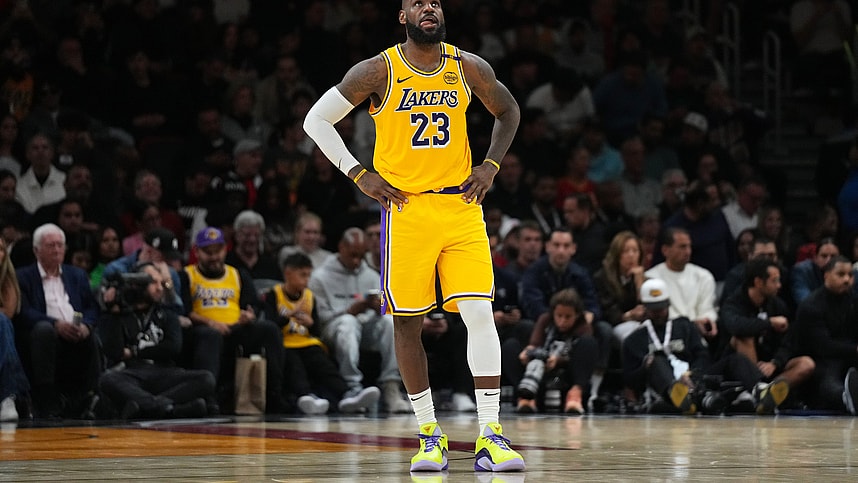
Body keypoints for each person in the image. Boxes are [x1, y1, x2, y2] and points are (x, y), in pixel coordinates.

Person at [302, 0, 525, 472]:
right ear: (401, 15)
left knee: (479, 314)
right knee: (407, 323)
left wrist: (490, 165)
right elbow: (315, 120)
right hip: (405, 210)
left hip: (460, 206)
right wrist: (358, 173)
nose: (429, 7)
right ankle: (429, 434)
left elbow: (509, 111)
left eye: (436, 2)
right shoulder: (378, 70)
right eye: (417, 2)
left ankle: (491, 435)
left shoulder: (468, 66)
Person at [179, 226, 285, 414]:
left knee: (269, 330)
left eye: (218, 251)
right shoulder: (187, 275)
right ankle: (207, 397)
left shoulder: (238, 274)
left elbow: (252, 305)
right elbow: (186, 312)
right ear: (197, 252)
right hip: (202, 331)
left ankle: (274, 395)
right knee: (210, 336)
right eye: (207, 252)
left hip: (235, 329)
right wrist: (211, 323)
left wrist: (249, 316)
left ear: (225, 250)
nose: (214, 257)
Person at [307, 228, 410, 415]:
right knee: (348, 322)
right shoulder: (320, 277)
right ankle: (352, 387)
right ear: (341, 247)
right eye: (352, 255)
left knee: (389, 321)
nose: (356, 262)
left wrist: (380, 308)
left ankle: (391, 387)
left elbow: (385, 309)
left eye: (361, 257)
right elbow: (319, 320)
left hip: (365, 328)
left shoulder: (371, 275)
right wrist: (349, 310)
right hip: (333, 329)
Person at [261, 253, 380, 415]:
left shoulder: (309, 296)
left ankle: (347, 395)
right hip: (286, 343)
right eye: (302, 275)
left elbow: (317, 330)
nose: (306, 280)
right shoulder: (273, 294)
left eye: (309, 275)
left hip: (307, 342)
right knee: (295, 367)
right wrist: (288, 315)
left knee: (324, 365)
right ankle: (306, 396)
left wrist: (310, 323)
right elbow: (269, 324)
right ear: (288, 273)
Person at [98, 263, 215, 420]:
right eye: (153, 283)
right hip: (133, 374)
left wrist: (134, 352)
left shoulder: (168, 315)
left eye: (161, 283)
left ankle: (146, 407)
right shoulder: (120, 314)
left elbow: (173, 347)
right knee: (107, 379)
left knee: (206, 378)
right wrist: (111, 311)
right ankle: (169, 409)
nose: (160, 288)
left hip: (164, 372)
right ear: (136, 284)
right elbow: (114, 351)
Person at [16, 223, 100, 418]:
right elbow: (23, 312)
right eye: (51, 245)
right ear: (37, 250)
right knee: (44, 329)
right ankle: (46, 398)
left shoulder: (76, 275)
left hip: (75, 331)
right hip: (42, 335)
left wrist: (86, 325)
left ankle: (91, 396)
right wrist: (56, 324)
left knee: (91, 336)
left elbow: (92, 307)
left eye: (60, 245)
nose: (56, 250)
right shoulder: (23, 276)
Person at [719, 258, 815, 414]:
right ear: (758, 282)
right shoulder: (733, 303)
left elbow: (788, 342)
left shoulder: (777, 304)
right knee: (744, 337)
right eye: (774, 281)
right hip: (738, 368)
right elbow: (735, 326)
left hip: (769, 366)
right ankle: (759, 391)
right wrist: (769, 323)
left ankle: (769, 395)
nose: (779, 285)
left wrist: (775, 363)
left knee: (806, 364)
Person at [622, 278, 709, 414]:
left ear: (668, 304)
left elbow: (702, 355)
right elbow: (629, 380)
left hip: (692, 379)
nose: (658, 313)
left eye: (661, 308)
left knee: (735, 360)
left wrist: (692, 375)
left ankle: (753, 393)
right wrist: (645, 367)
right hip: (659, 392)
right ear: (645, 307)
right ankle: (679, 396)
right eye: (653, 309)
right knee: (656, 360)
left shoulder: (684, 326)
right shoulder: (634, 340)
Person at [516, 288, 599, 414]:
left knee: (589, 343)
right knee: (511, 347)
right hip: (539, 368)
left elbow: (578, 357)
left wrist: (558, 361)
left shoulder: (584, 327)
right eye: (559, 316)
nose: (562, 321)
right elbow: (534, 344)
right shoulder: (545, 320)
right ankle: (525, 395)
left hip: (568, 370)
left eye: (568, 317)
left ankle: (575, 394)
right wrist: (527, 353)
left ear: (577, 315)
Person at [793, 255, 858, 414]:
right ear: (826, 275)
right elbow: (824, 346)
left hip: (846, 353)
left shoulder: (852, 300)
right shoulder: (811, 305)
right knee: (828, 381)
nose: (847, 279)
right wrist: (855, 349)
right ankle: (845, 398)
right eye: (841, 274)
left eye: (850, 275)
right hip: (819, 358)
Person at [645, 227, 719, 345]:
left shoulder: (704, 276)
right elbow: (660, 313)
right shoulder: (652, 278)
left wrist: (706, 321)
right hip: (666, 336)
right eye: (682, 247)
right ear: (665, 250)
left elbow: (707, 308)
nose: (688, 251)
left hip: (699, 337)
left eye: (689, 246)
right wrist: (691, 324)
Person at [0, 237, 26, 421]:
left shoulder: (8, 279)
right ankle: (10, 394)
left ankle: (7, 397)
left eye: (1, 249)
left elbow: (8, 312)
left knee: (2, 322)